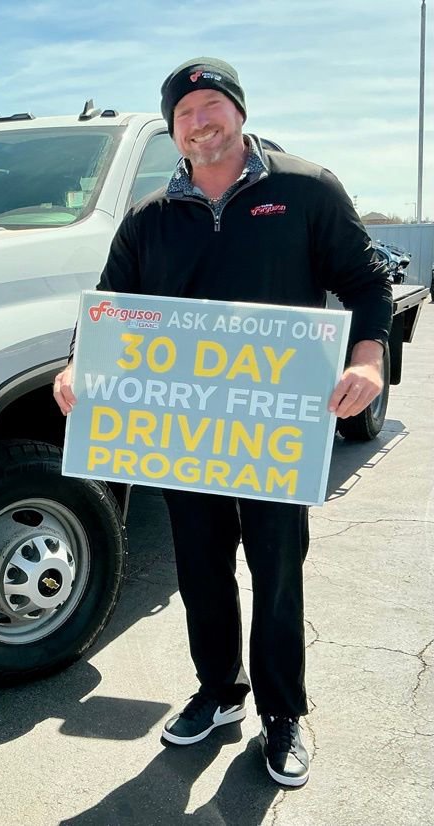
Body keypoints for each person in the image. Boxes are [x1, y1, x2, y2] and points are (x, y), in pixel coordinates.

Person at [53, 57, 392, 787]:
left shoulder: (302, 189)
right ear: (171, 129)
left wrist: (366, 360)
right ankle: (217, 693)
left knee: (276, 572)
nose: (199, 121)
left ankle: (282, 713)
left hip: (274, 430)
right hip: (186, 437)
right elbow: (111, 308)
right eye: (184, 113)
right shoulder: (150, 217)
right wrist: (80, 369)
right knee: (200, 570)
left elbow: (366, 283)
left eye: (211, 105)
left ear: (237, 111)